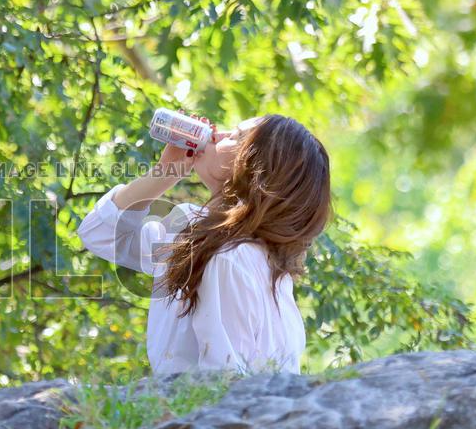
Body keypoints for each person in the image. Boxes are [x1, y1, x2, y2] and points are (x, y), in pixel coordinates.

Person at [77, 113, 331, 376]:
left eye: (234, 136)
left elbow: (224, 380)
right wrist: (165, 172)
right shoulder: (193, 230)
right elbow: (100, 233)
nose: (216, 135)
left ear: (255, 167)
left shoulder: (234, 258)